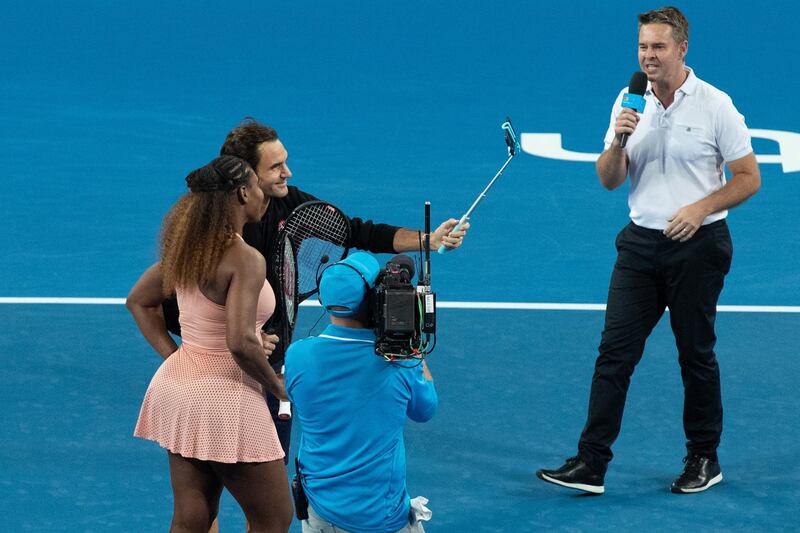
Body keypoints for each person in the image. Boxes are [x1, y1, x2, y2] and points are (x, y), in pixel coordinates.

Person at [536, 6, 760, 495]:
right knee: (613, 355)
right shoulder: (629, 100)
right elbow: (609, 180)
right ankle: (591, 464)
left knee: (695, 355)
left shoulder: (716, 105)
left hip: (698, 248)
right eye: (643, 47)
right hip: (639, 246)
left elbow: (749, 178)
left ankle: (704, 458)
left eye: (658, 47)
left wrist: (699, 208)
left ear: (682, 48)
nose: (649, 56)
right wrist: (619, 140)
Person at [164, 118, 467, 460]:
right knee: (228, 493)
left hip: (270, 365)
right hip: (224, 379)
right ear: (246, 178)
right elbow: (171, 307)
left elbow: (353, 231)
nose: (287, 172)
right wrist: (237, 336)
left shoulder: (290, 203)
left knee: (265, 485)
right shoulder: (210, 236)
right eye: (275, 166)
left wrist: (428, 240)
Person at [128, 156, 293, 532]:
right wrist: (277, 387)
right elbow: (237, 342)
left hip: (176, 389)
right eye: (254, 184)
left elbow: (138, 300)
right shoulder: (246, 259)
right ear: (240, 193)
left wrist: (180, 356)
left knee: (193, 517)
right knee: (273, 519)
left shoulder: (189, 248)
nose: (261, 192)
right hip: (224, 401)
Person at [284, 251, 437, 533]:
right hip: (381, 519)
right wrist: (412, 344)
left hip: (320, 515)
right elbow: (426, 409)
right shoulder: (400, 362)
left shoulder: (297, 356)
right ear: (373, 299)